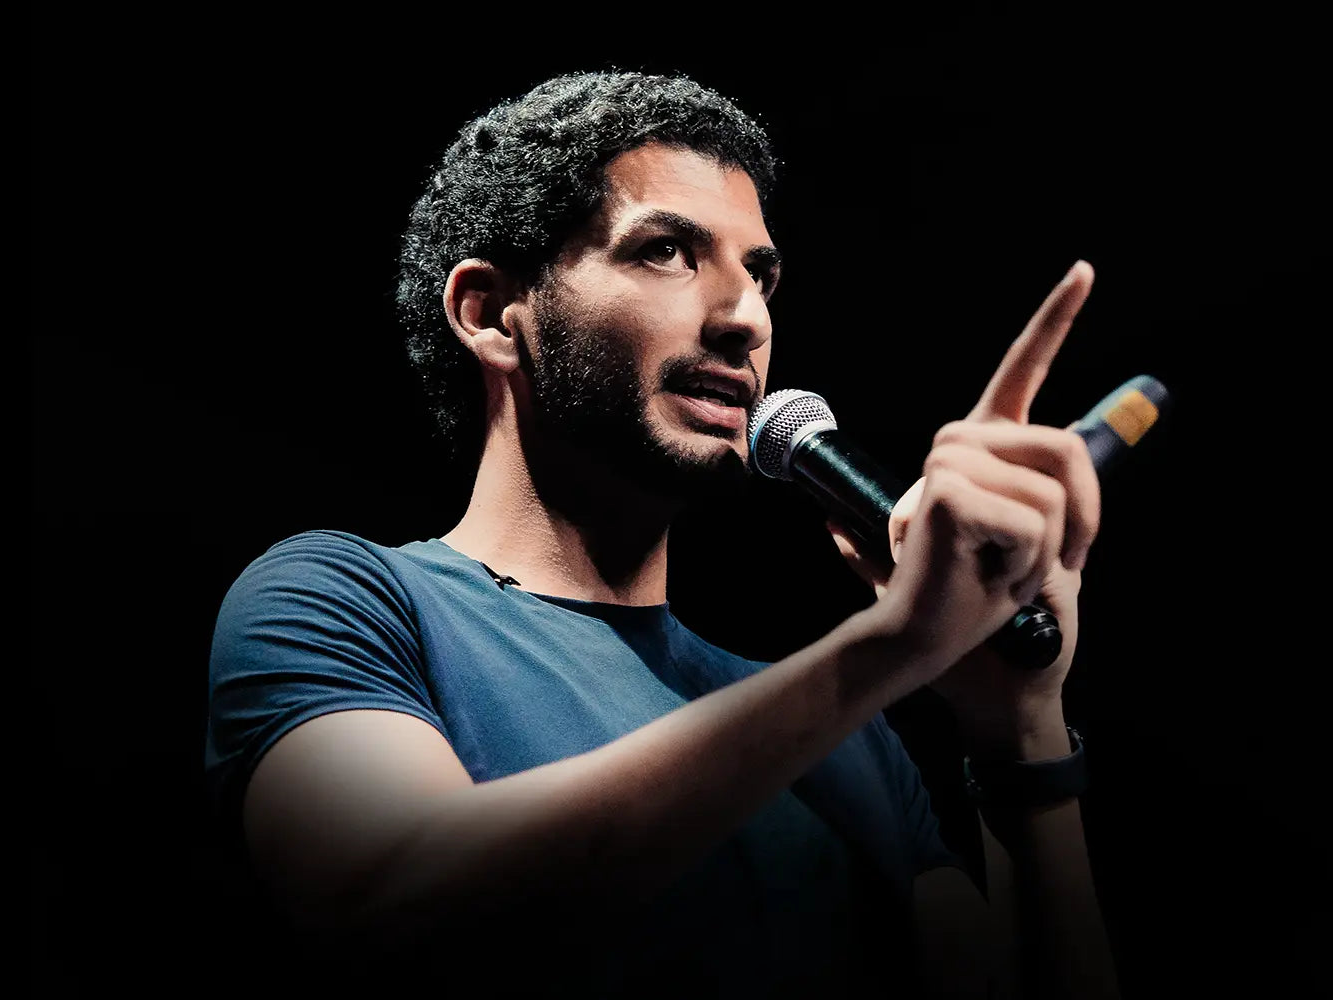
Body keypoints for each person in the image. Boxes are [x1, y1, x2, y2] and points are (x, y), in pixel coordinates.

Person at [205, 70, 1120, 998]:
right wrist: (891, 647)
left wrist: (1020, 722)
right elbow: (384, 897)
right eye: (667, 252)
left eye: (759, 274)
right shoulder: (342, 603)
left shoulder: (846, 739)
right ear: (489, 315)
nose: (745, 318)